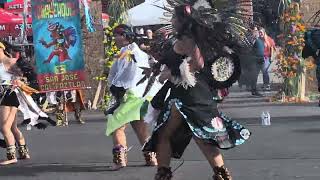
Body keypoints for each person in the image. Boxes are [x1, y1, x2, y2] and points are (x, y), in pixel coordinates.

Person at [142, 1, 252, 180]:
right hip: (199, 95)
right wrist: (156, 69)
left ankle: (163, 173)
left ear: (181, 20)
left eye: (173, 17)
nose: (171, 20)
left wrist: (171, 73)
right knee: (202, 136)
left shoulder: (187, 38)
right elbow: (178, 60)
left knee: (164, 134)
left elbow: (197, 64)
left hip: (186, 97)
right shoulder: (192, 37)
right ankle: (221, 174)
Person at [105, 24, 159, 170]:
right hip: (143, 95)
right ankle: (151, 157)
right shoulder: (140, 52)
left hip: (129, 94)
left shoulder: (128, 53)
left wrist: (115, 87)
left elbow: (124, 75)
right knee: (140, 125)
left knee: (116, 124)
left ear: (124, 36)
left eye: (116, 35)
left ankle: (120, 160)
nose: (114, 38)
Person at [0, 41, 30, 165]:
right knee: (12, 127)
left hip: (9, 95)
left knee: (4, 127)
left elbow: (24, 76)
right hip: (5, 96)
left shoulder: (11, 61)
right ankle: (23, 152)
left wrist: (18, 80)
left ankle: (11, 156)